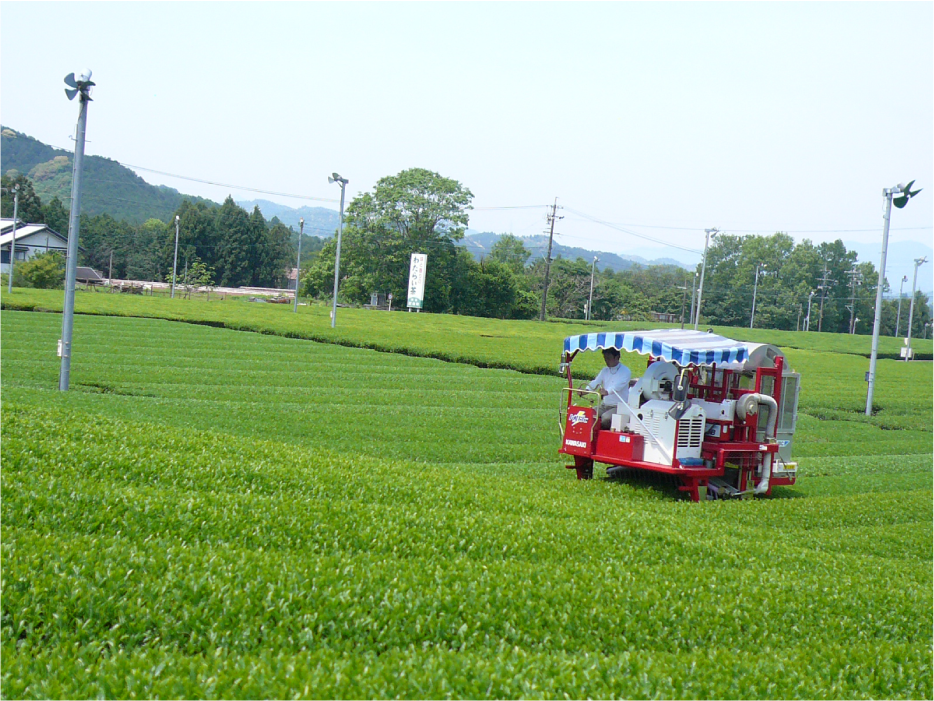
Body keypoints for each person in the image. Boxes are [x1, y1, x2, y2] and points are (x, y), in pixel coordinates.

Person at [586, 348, 632, 429]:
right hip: (605, 405)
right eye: (605, 358)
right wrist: (586, 390)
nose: (606, 361)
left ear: (617, 357)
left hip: (618, 406)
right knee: (587, 414)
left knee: (606, 418)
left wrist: (607, 391)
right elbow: (596, 382)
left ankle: (601, 437)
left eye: (609, 358)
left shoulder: (625, 371)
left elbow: (618, 385)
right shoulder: (605, 370)